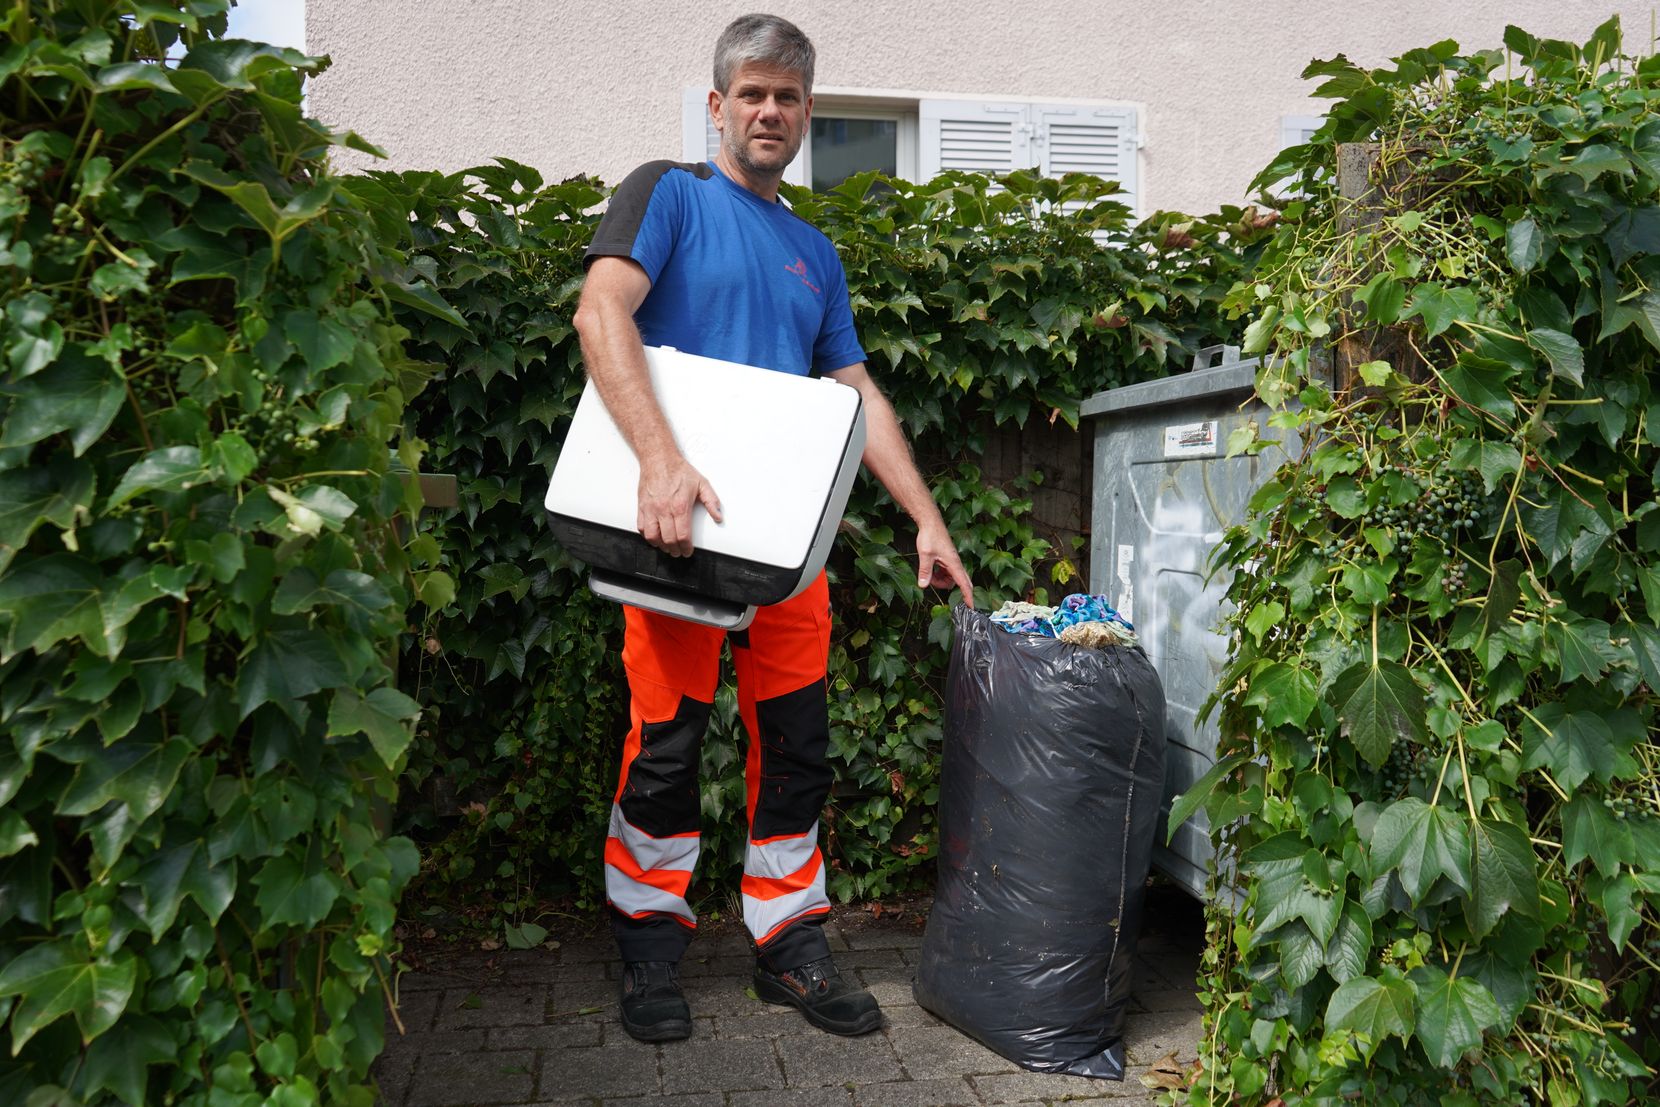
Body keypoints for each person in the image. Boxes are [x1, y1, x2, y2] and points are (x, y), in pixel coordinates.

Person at [571, 12, 974, 1044]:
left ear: (805, 115)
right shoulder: (668, 194)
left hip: (790, 554)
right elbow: (600, 312)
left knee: (796, 752)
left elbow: (855, 396)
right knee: (666, 750)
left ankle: (787, 945)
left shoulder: (813, 252)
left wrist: (925, 517)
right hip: (677, 540)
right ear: (717, 106)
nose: (768, 111)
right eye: (750, 93)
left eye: (786, 97)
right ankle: (651, 948)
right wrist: (660, 461)